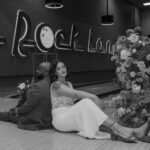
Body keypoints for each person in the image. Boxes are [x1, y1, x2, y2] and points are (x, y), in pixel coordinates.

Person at [50, 59, 150, 143]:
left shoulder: (68, 83)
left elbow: (75, 100)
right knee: (86, 102)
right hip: (61, 119)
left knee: (93, 116)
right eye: (58, 69)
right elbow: (76, 94)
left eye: (63, 66)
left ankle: (135, 131)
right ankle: (118, 128)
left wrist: (107, 103)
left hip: (70, 115)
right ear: (55, 72)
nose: (62, 69)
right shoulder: (56, 85)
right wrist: (93, 96)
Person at [0, 62, 52, 130]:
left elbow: (28, 106)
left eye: (39, 69)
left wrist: (16, 110)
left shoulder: (38, 86)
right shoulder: (51, 83)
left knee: (9, 114)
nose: (36, 71)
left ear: (46, 72)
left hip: (36, 120)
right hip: (47, 119)